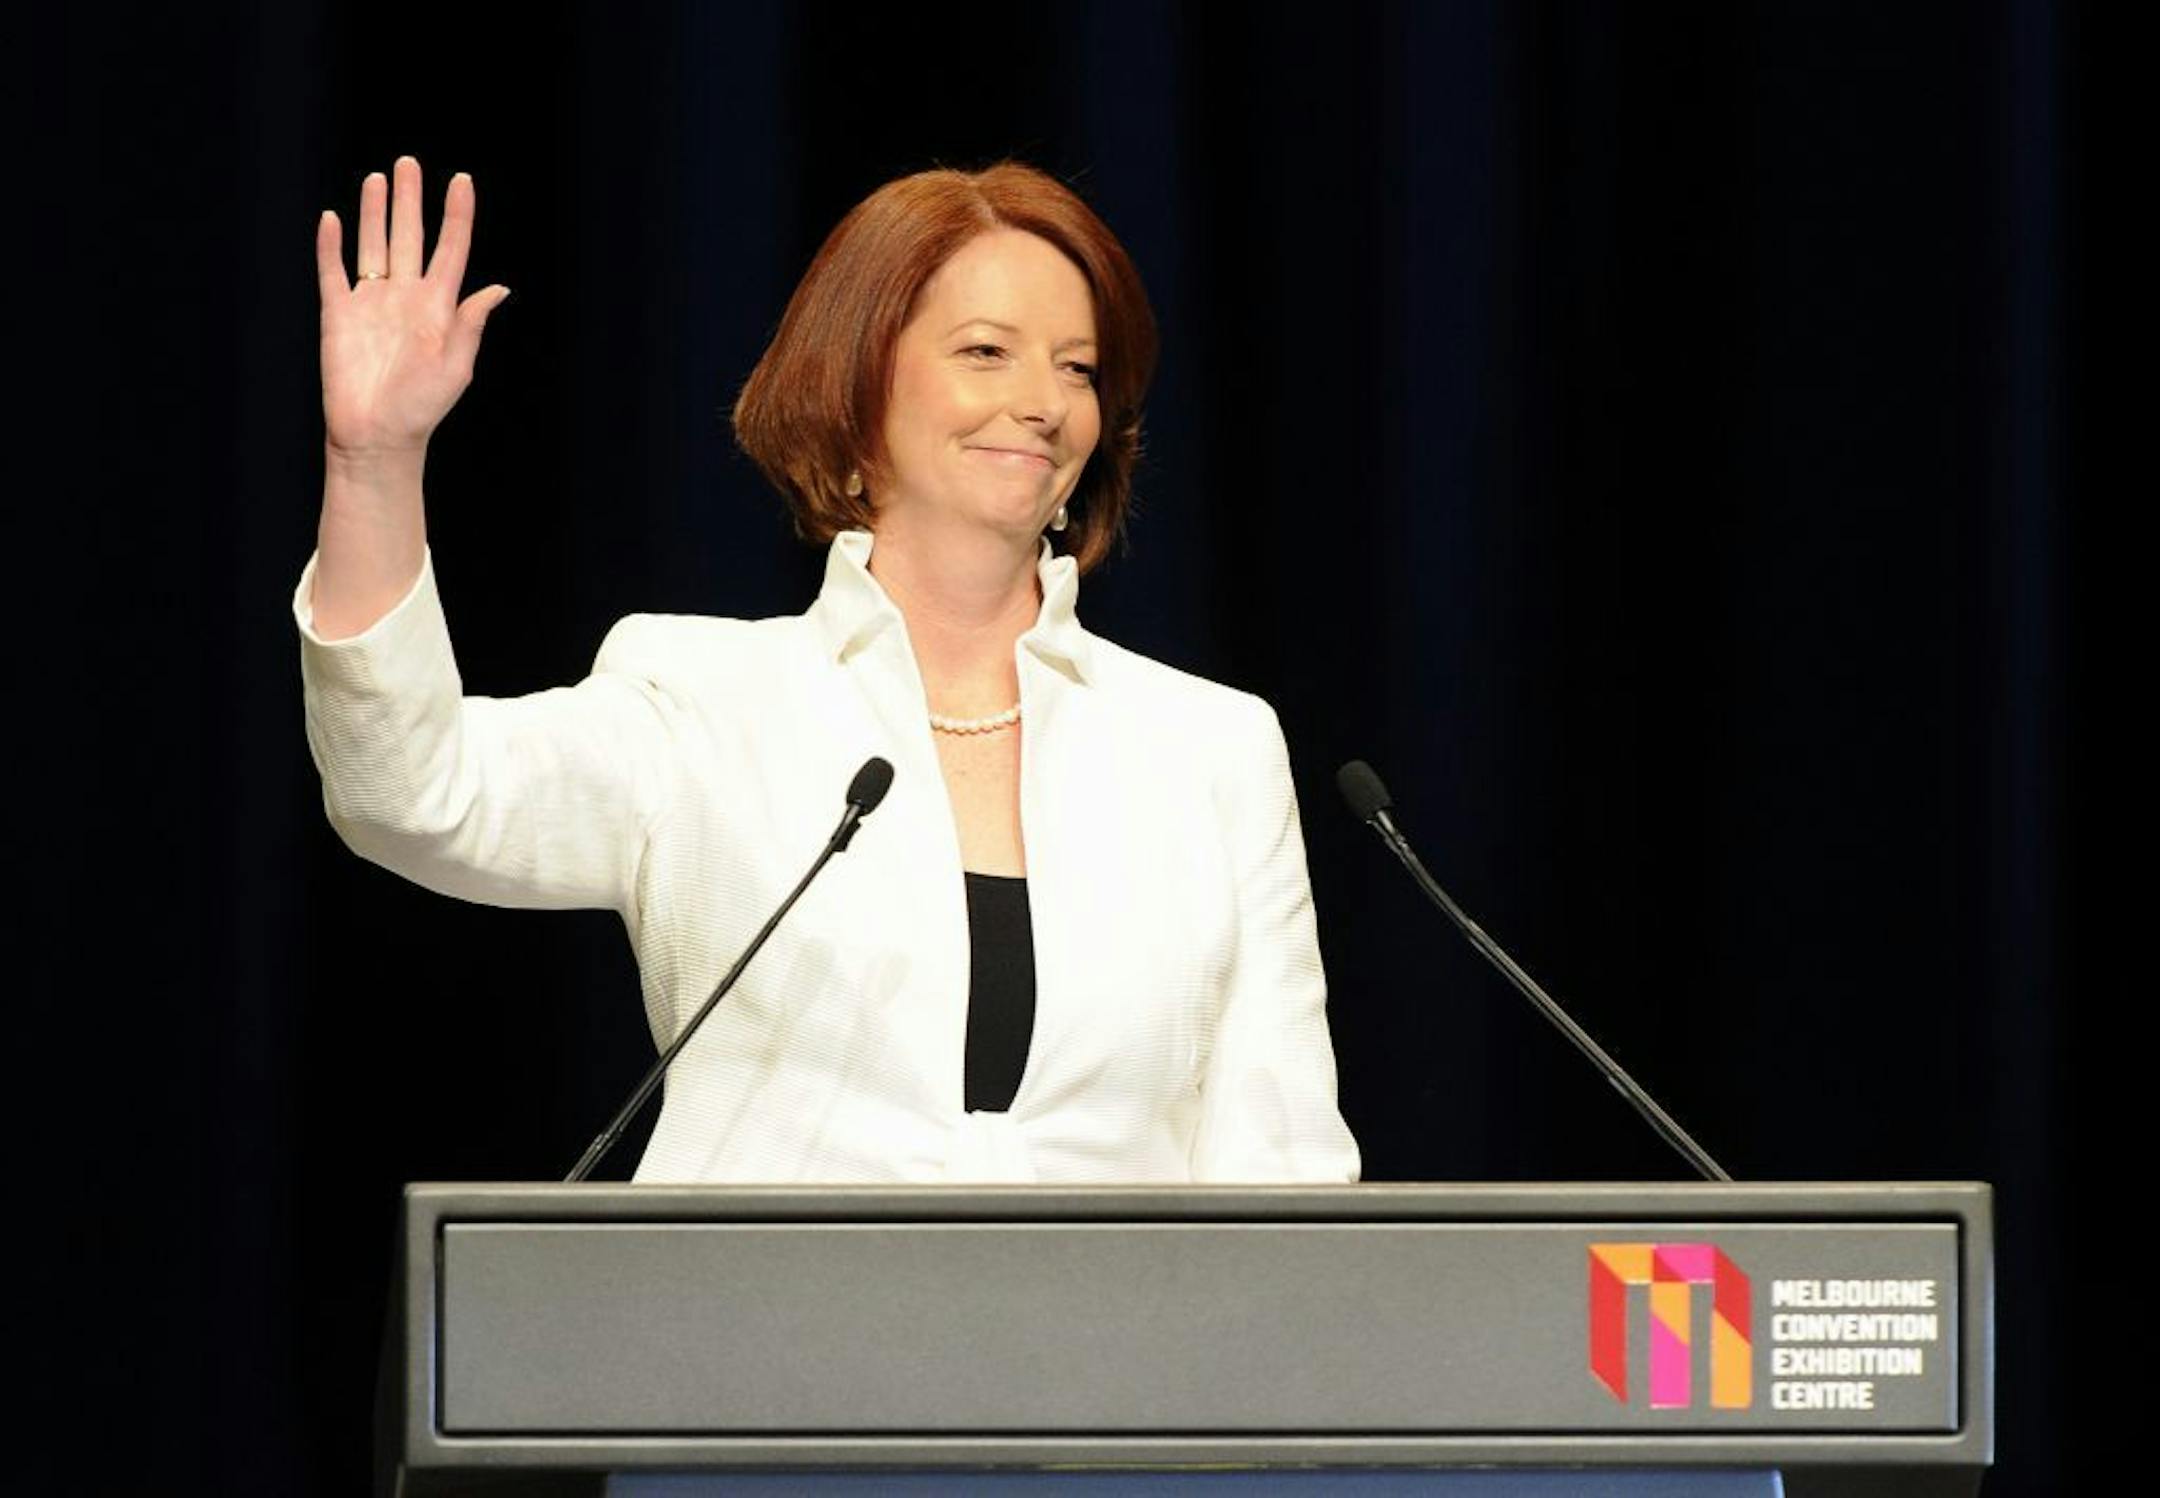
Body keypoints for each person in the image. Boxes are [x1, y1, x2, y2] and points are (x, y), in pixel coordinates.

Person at [297, 155, 1359, 1184]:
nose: (1044, 400)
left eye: (1077, 367)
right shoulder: (702, 701)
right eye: (987, 351)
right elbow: (410, 793)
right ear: (856, 391)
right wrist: (375, 464)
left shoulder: (1211, 749)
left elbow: (1287, 1164)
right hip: (761, 1352)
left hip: (1121, 1356)